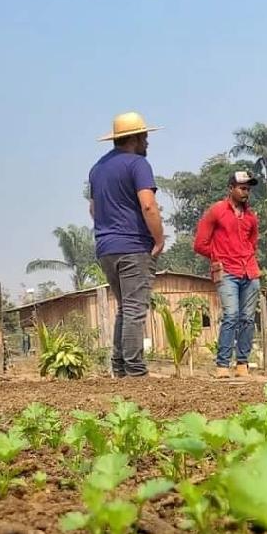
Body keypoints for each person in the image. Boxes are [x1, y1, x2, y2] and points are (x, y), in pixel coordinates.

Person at [89, 111, 165, 377]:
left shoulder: (97, 169)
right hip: (133, 246)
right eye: (145, 136)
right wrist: (159, 238)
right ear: (134, 138)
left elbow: (93, 210)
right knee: (135, 308)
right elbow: (148, 204)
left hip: (106, 247)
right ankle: (135, 371)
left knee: (125, 307)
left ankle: (120, 368)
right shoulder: (137, 165)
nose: (147, 142)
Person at [194, 171, 262, 378]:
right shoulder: (217, 211)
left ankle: (242, 364)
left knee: (248, 319)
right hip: (227, 272)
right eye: (242, 188)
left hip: (249, 271)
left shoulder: (251, 217)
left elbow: (253, 243)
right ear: (231, 188)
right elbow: (199, 244)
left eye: (248, 189)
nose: (245, 192)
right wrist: (218, 256)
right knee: (231, 315)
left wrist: (245, 255)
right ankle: (222, 365)